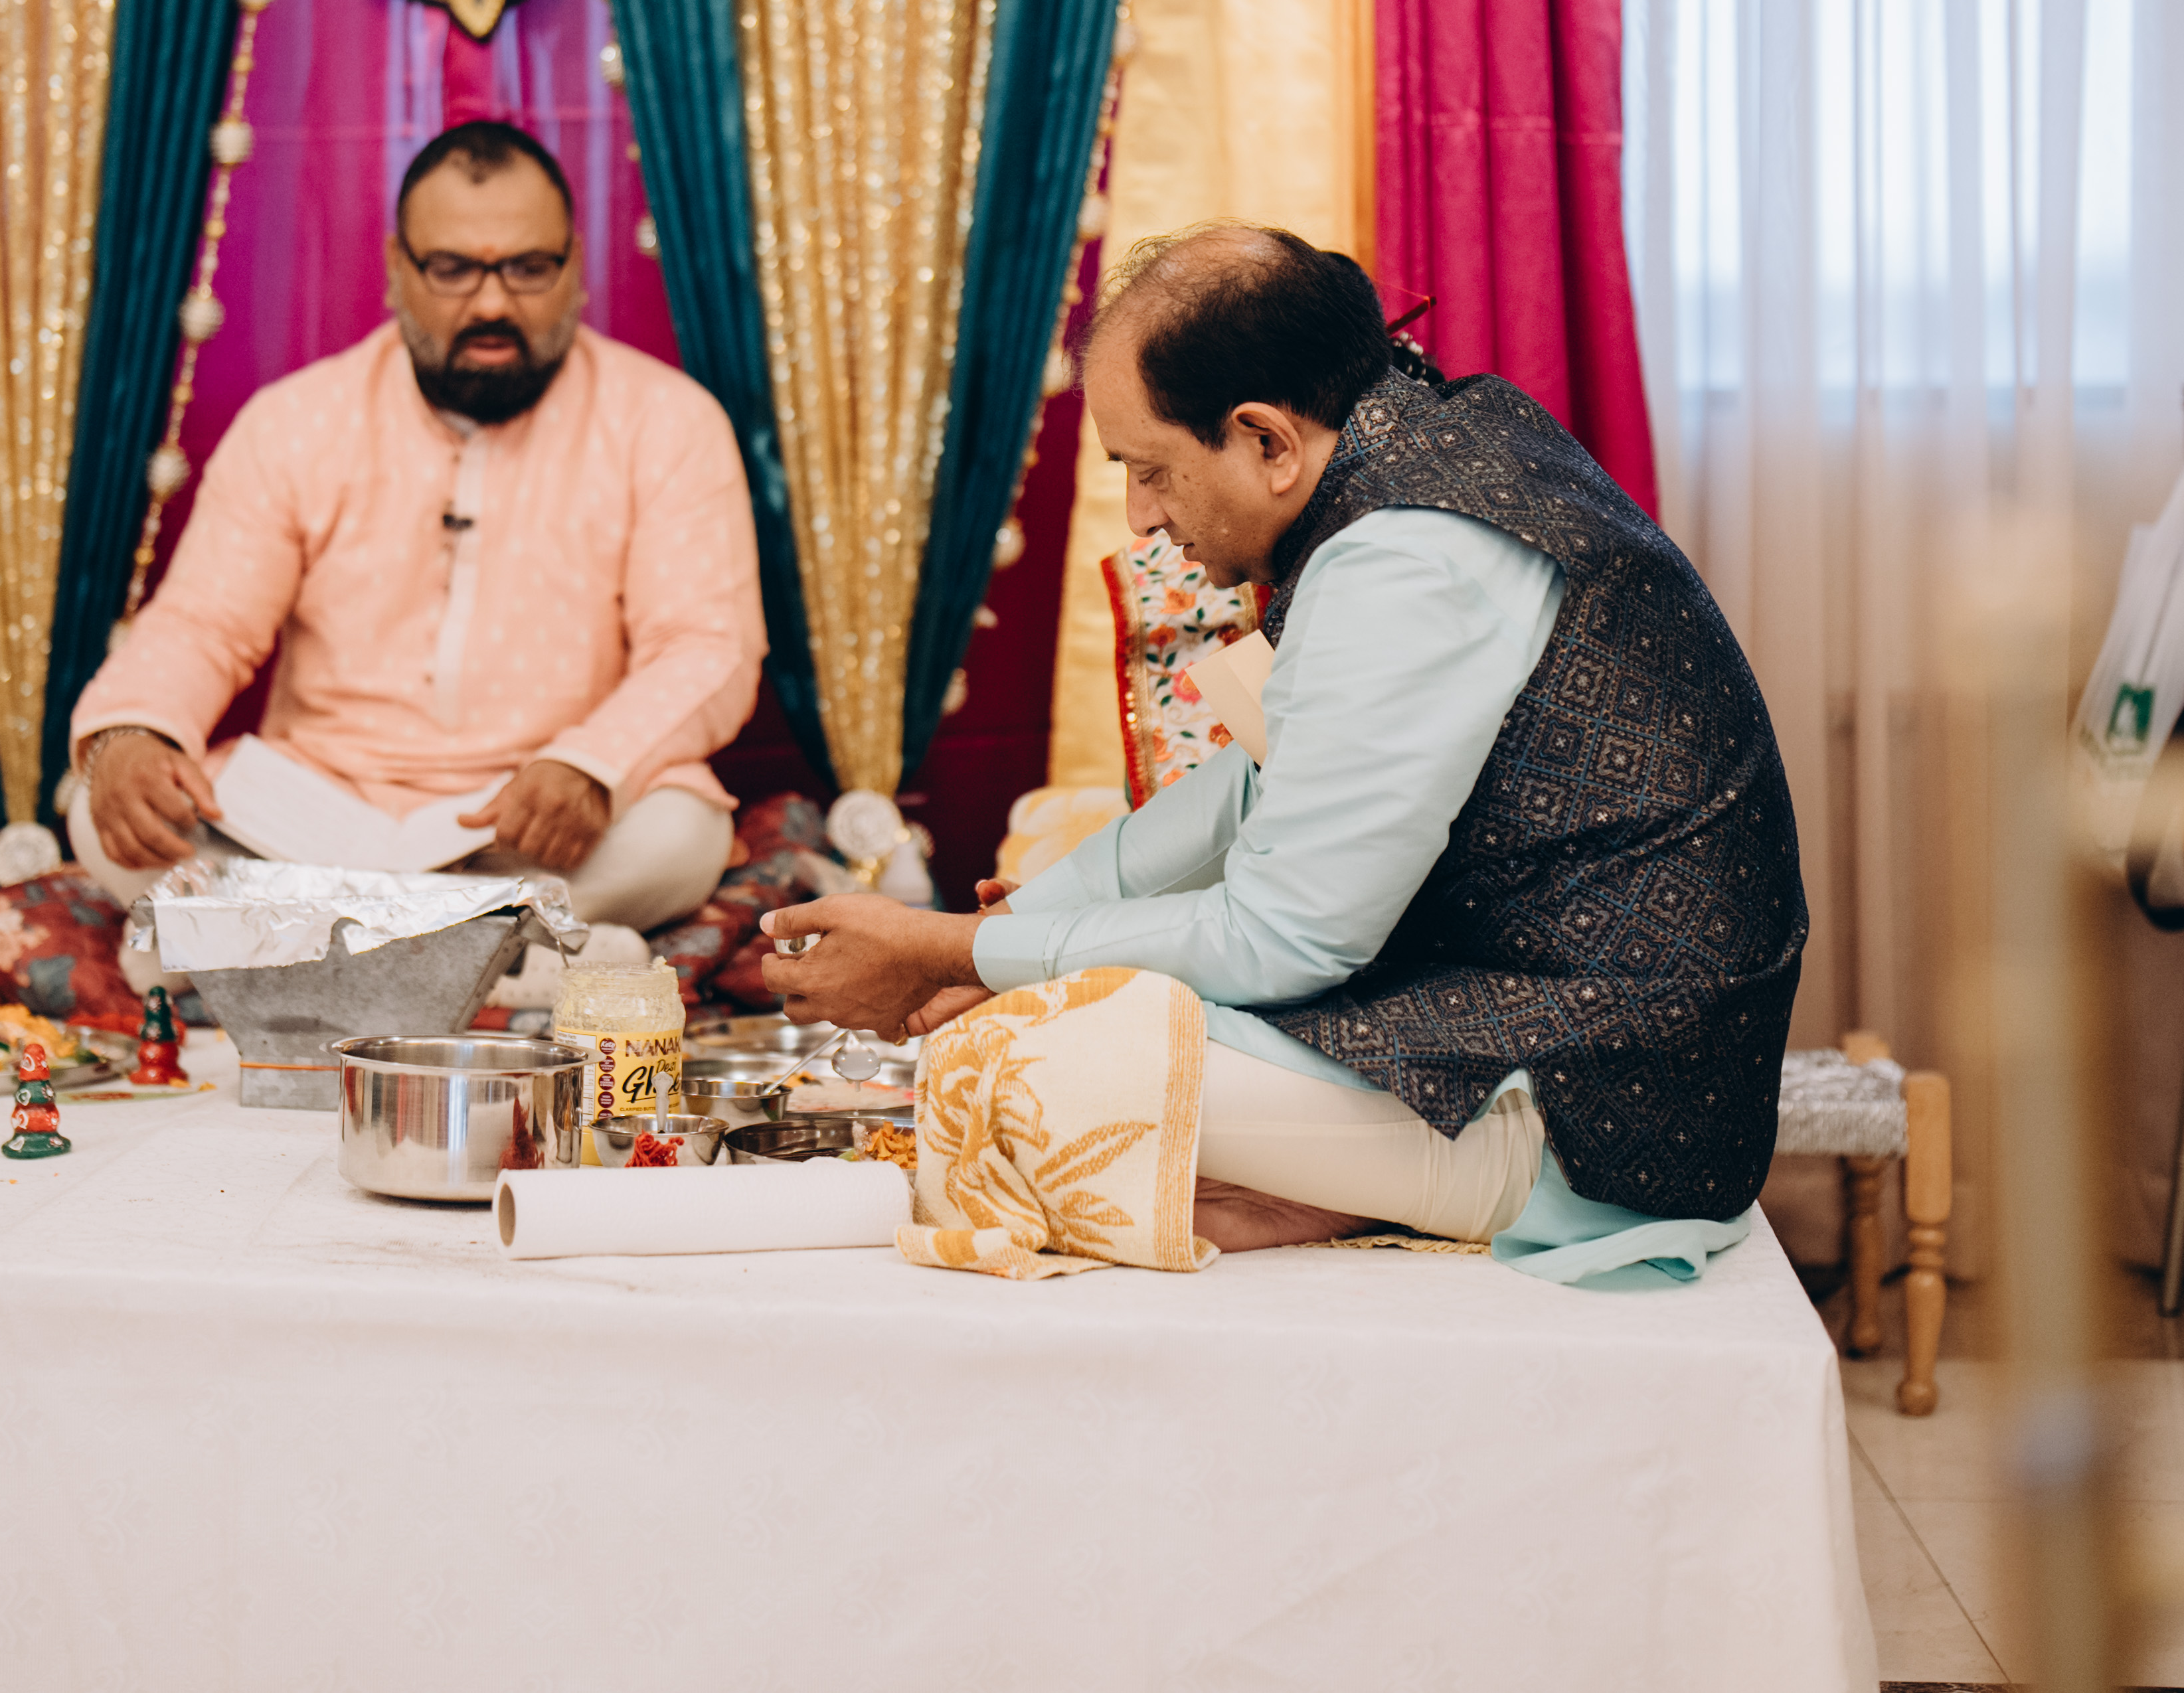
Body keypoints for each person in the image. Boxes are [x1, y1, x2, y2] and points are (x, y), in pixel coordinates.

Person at [760, 226, 1808, 1275]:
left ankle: (1385, 1182)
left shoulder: (1407, 557)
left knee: (1019, 1057)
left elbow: (1283, 937)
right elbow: (1255, 785)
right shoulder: (1423, 448)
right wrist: (1006, 927)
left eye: (1150, 469)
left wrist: (953, 953)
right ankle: (1335, 1183)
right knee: (1066, 1009)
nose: (1141, 516)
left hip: (1595, 1114)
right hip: (1548, 1030)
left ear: (1266, 440)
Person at [68, 121, 767, 934]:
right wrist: (134, 732)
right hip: (312, 812)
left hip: (530, 819)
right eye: (453, 270)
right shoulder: (297, 421)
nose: (493, 304)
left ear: (575, 268)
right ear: (399, 270)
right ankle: (484, 942)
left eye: (528, 269)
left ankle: (294, 943)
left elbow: (704, 644)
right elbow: (205, 623)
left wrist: (590, 765)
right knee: (103, 812)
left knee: (679, 835)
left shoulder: (666, 422)